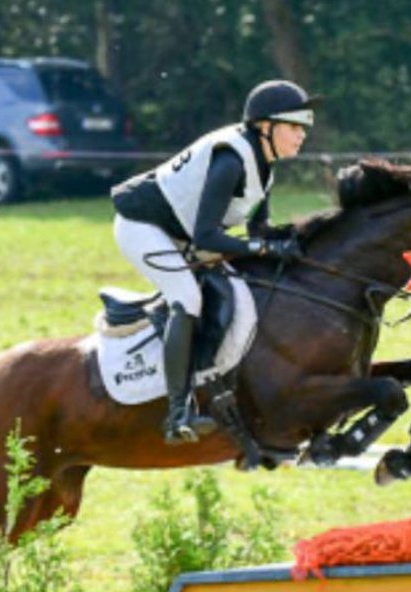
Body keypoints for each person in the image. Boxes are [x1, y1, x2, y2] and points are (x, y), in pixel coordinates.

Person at [111, 79, 318, 444]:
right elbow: (208, 237)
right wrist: (266, 250)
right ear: (265, 126)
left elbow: (260, 229)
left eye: (303, 128)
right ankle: (178, 414)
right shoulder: (231, 159)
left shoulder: (263, 163)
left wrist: (301, 237)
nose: (301, 135)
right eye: (294, 126)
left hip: (181, 233)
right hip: (141, 226)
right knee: (187, 299)